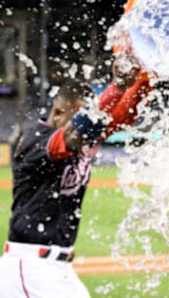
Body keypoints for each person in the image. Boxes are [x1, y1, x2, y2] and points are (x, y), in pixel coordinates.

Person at [0, 66, 151, 298]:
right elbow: (76, 134)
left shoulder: (84, 136)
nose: (92, 121)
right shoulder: (36, 140)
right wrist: (118, 86)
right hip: (30, 267)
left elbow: (123, 114)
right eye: (81, 114)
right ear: (59, 112)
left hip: (56, 269)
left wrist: (146, 77)